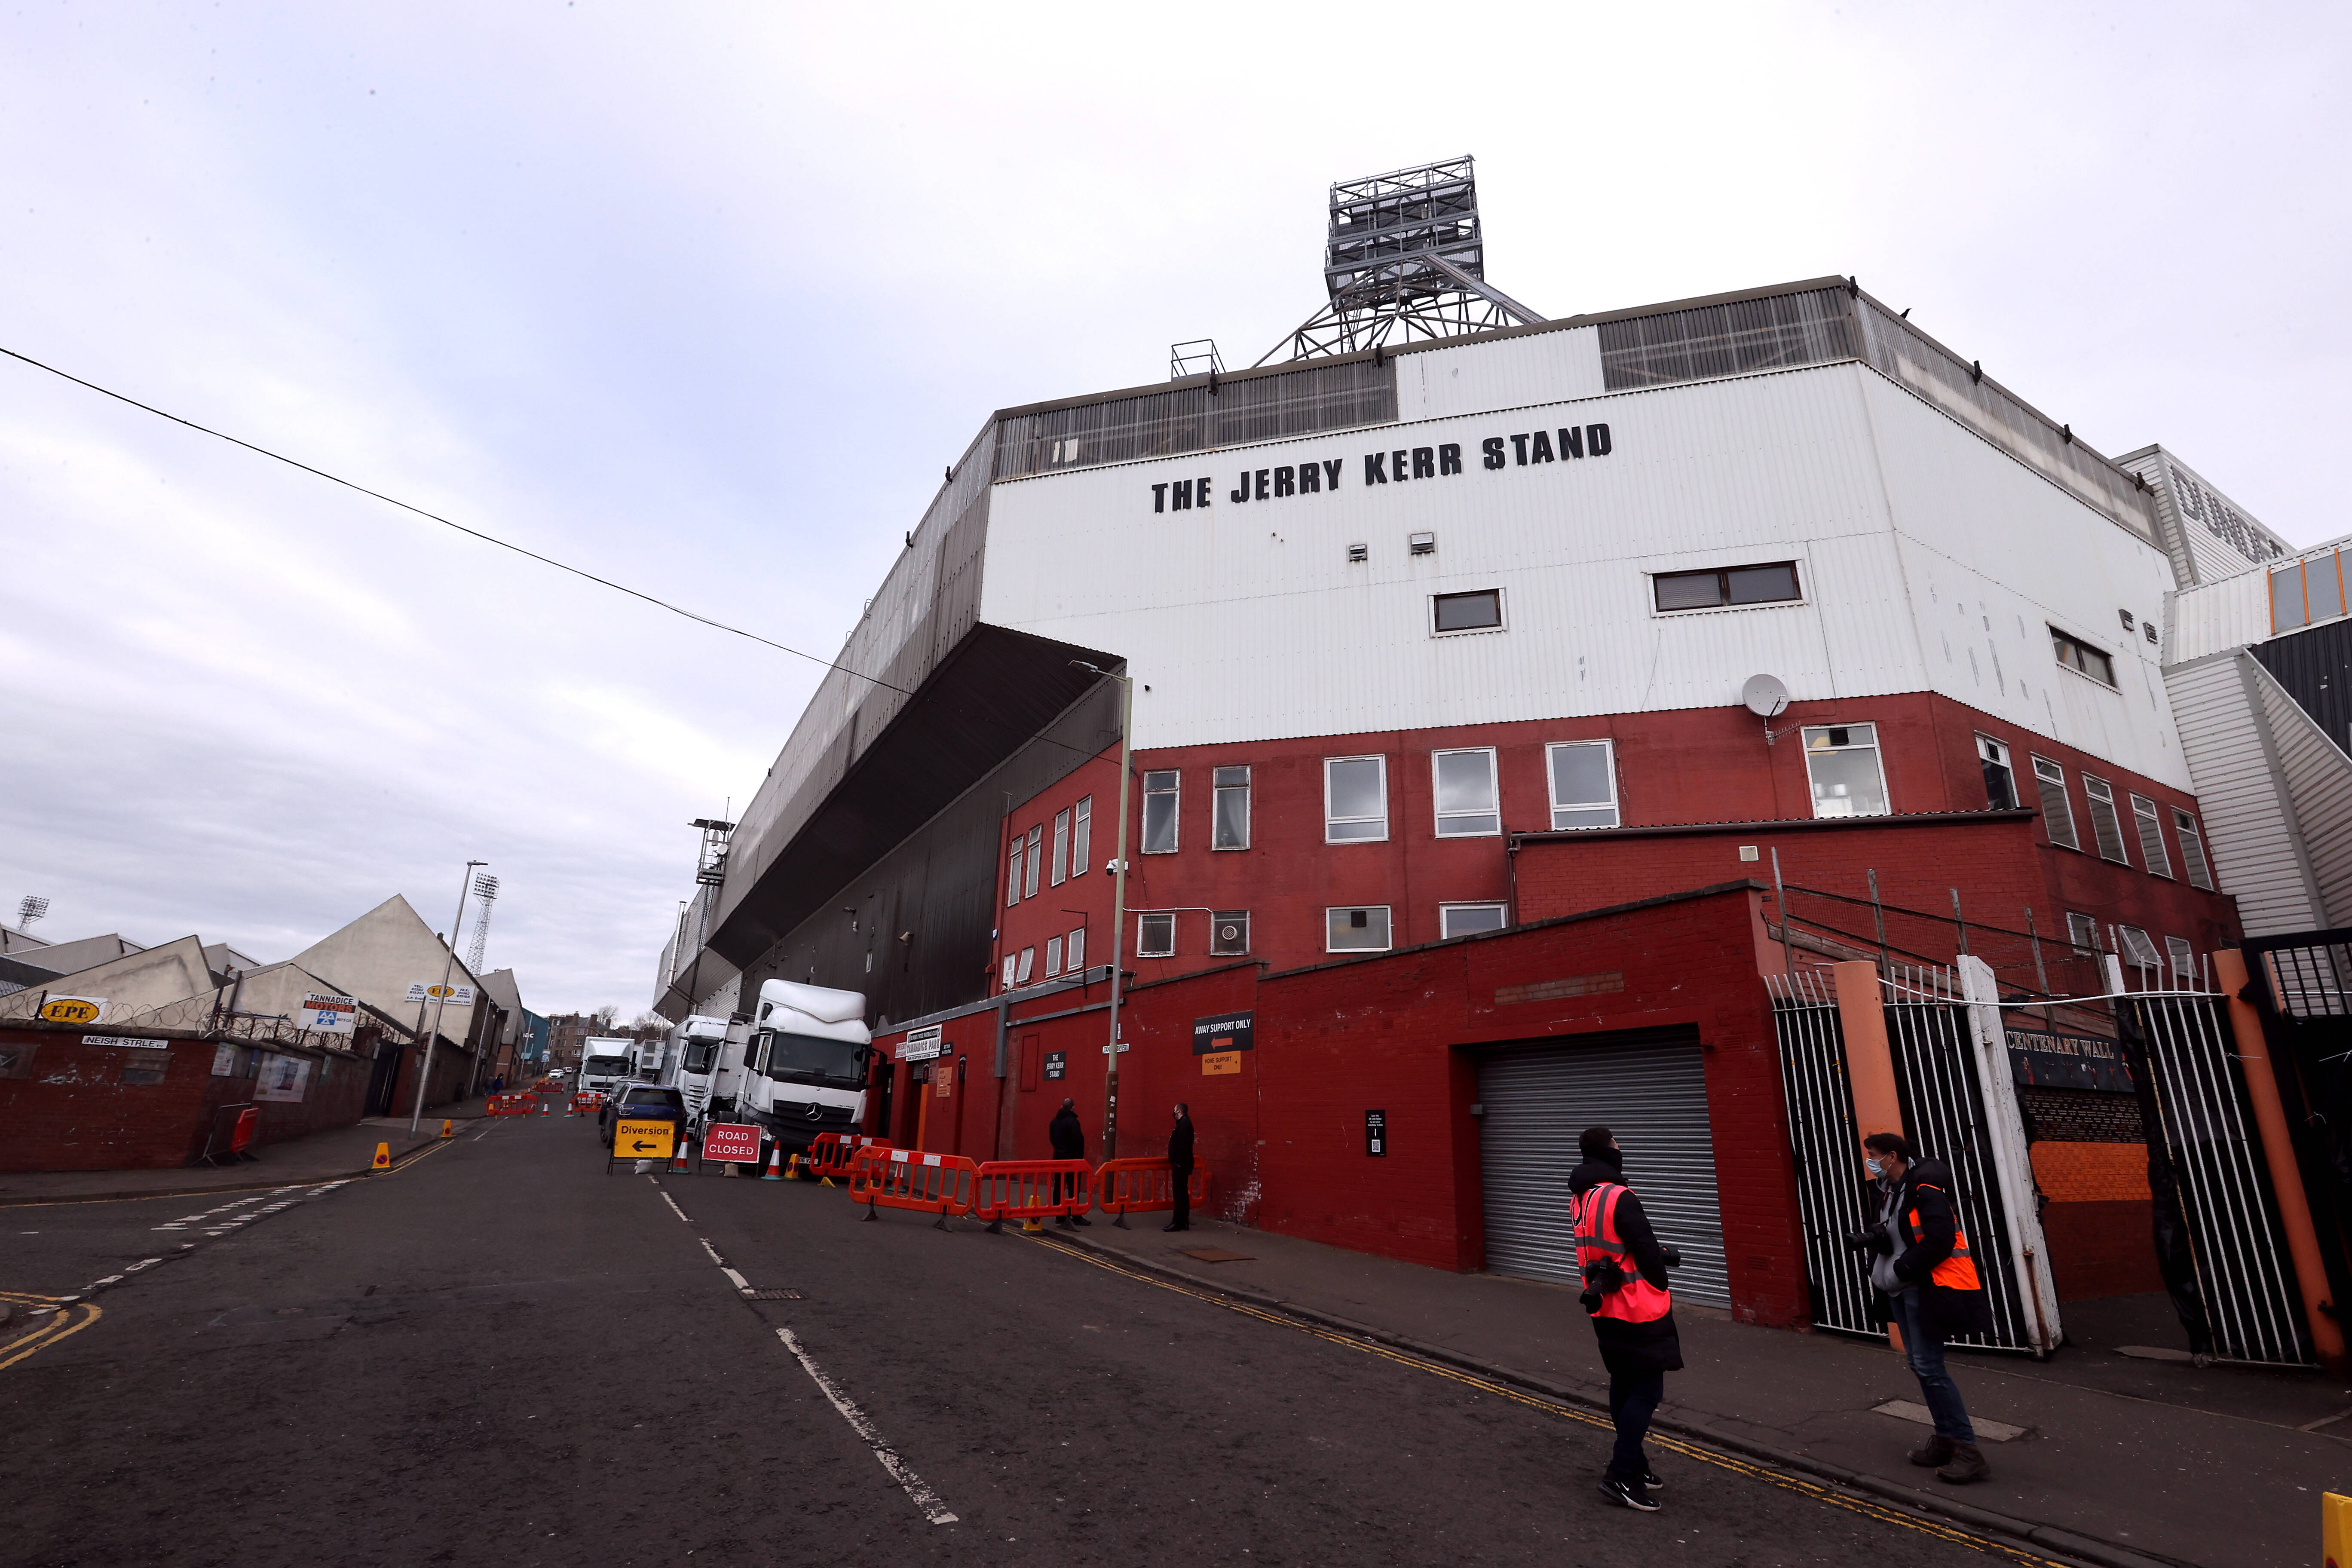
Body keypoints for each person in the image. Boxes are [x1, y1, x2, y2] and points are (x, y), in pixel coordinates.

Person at [1848, 1131, 1995, 1484]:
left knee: (1930, 1367)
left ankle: (1969, 1451)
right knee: (1920, 1365)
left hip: (1924, 1290)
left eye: (1873, 1155)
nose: (1870, 1161)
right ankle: (1946, 1441)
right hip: (1902, 1292)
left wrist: (1901, 1269)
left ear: (1892, 1156)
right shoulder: (1889, 1193)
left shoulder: (1926, 1191)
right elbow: (1899, 1233)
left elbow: (1941, 1240)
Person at [1569, 1126, 1681, 1513]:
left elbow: (1609, 1248)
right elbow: (1645, 1250)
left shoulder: (1580, 1199)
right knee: (1647, 1391)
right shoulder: (1620, 1196)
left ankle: (1635, 1464)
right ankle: (1621, 1475)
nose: (1621, 1150)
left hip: (1604, 1308)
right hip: (1639, 1308)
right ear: (1607, 1151)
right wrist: (1660, 1279)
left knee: (1623, 1382)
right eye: (1617, 1144)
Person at [1048, 1097, 1091, 1227]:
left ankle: (1059, 1215)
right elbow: (1079, 1141)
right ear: (1073, 1108)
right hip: (1072, 1160)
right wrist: (1079, 1157)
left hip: (1058, 1158)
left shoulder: (1054, 1122)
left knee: (1059, 1187)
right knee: (1074, 1188)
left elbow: (1052, 1139)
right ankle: (1076, 1215)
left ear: (1062, 1106)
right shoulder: (1073, 1122)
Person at [1164, 1103, 1195, 1232]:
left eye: (1174, 1110)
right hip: (1182, 1164)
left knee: (1179, 1194)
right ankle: (1183, 1221)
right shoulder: (1185, 1124)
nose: (1173, 1113)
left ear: (1178, 1111)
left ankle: (1178, 1222)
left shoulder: (1184, 1125)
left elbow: (1184, 1146)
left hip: (1181, 1165)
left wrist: (1178, 1162)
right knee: (1182, 1193)